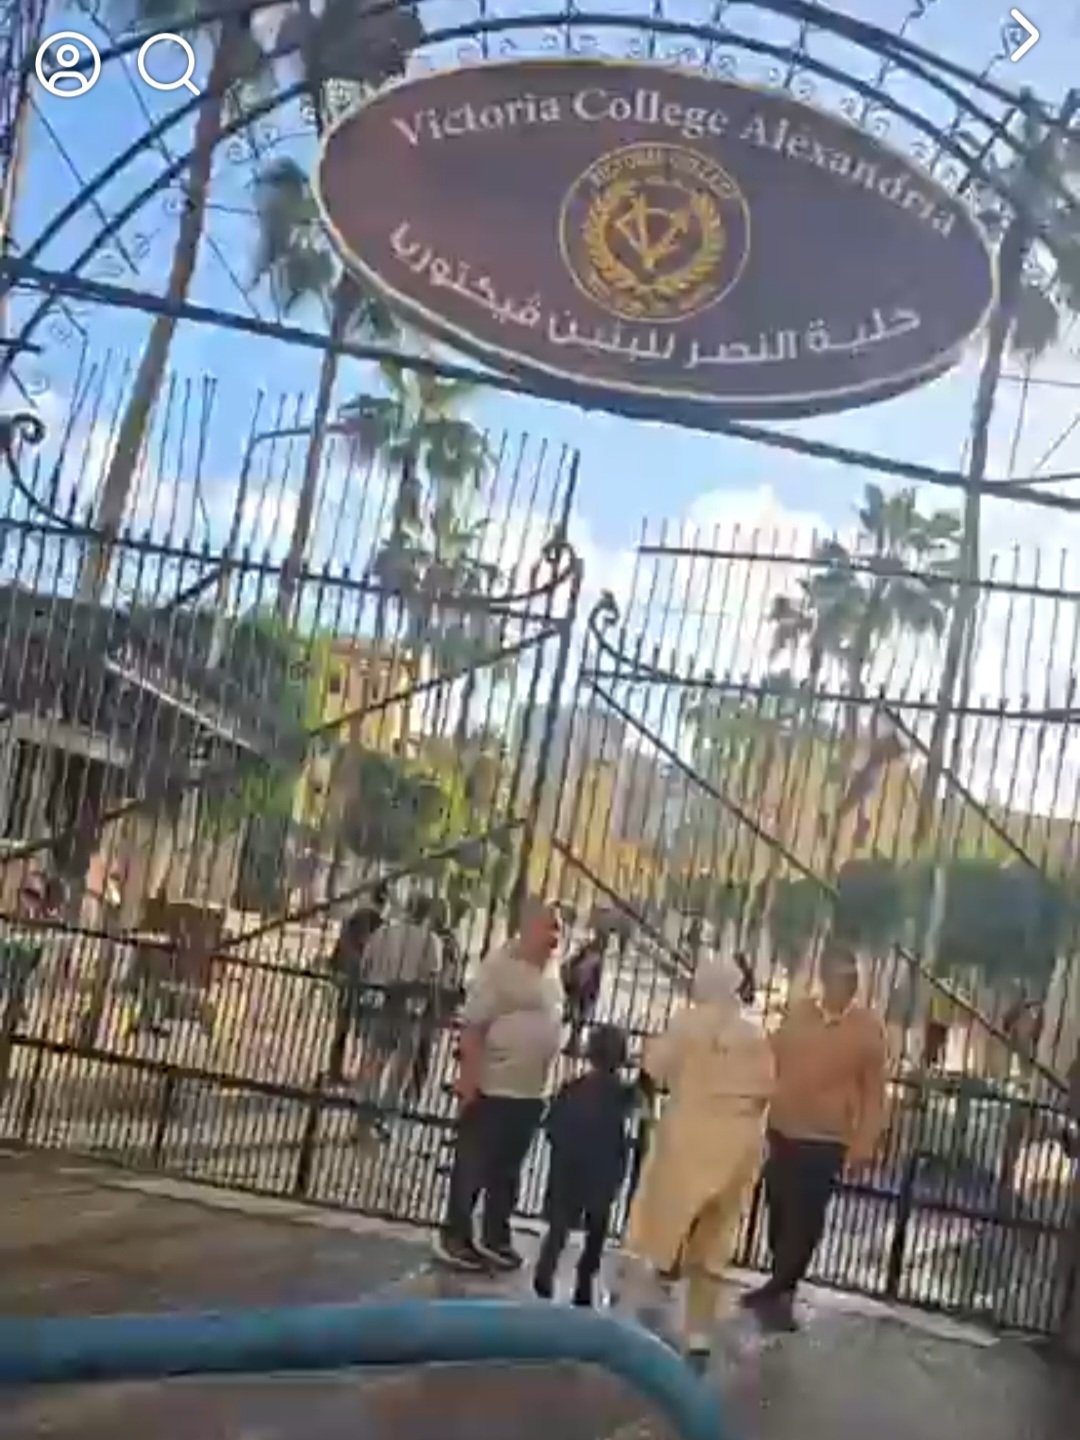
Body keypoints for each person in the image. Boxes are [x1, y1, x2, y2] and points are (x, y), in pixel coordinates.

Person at [622, 954, 774, 1360]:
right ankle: (698, 1332)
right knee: (715, 1236)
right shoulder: (754, 1033)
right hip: (738, 1142)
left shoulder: (687, 1023)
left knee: (667, 1221)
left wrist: (647, 1099)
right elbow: (766, 1089)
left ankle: (651, 1297)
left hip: (689, 1135)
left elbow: (652, 1069)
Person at [741, 943, 887, 1333]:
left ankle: (782, 1291)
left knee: (805, 1219)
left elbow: (874, 1093)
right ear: (824, 979)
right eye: (841, 978)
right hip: (783, 1129)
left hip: (825, 1139)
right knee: (777, 1207)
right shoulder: (799, 1014)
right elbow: (769, 1058)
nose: (849, 985)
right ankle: (777, 1281)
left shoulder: (867, 1030)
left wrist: (864, 1144)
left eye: (853, 979)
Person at [434, 897, 563, 1272]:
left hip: (530, 1090)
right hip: (494, 1085)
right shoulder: (500, 968)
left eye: (559, 926)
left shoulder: (550, 971)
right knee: (474, 1165)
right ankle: (456, 1235)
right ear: (527, 927)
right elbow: (473, 1025)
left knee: (507, 1171)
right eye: (550, 925)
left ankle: (495, 1235)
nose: (556, 934)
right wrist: (469, 1080)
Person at [533, 1023, 636, 1308]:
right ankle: (584, 1278)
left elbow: (552, 1124)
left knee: (559, 1224)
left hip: (568, 1165)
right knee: (597, 1228)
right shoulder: (624, 1095)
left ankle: (546, 1268)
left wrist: (562, 1147)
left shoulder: (573, 1088)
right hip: (602, 1170)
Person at [355, 893, 443, 1114]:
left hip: (380, 1000)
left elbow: (365, 964)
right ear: (426, 914)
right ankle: (388, 1105)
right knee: (401, 1064)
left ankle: (368, 1102)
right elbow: (433, 977)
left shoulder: (383, 933)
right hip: (409, 1008)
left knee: (374, 1056)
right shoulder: (431, 941)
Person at [325, 882, 389, 1083]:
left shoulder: (353, 918)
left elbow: (341, 946)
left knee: (343, 1028)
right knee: (366, 1032)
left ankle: (335, 1070)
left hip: (348, 978)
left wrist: (335, 966)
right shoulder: (380, 924)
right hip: (366, 982)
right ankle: (361, 1074)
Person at [561, 931, 605, 1056]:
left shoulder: (594, 959)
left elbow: (596, 978)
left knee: (578, 1021)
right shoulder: (579, 957)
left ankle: (574, 1046)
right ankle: (573, 1045)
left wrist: (595, 993)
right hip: (578, 992)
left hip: (584, 993)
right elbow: (567, 968)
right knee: (576, 1020)